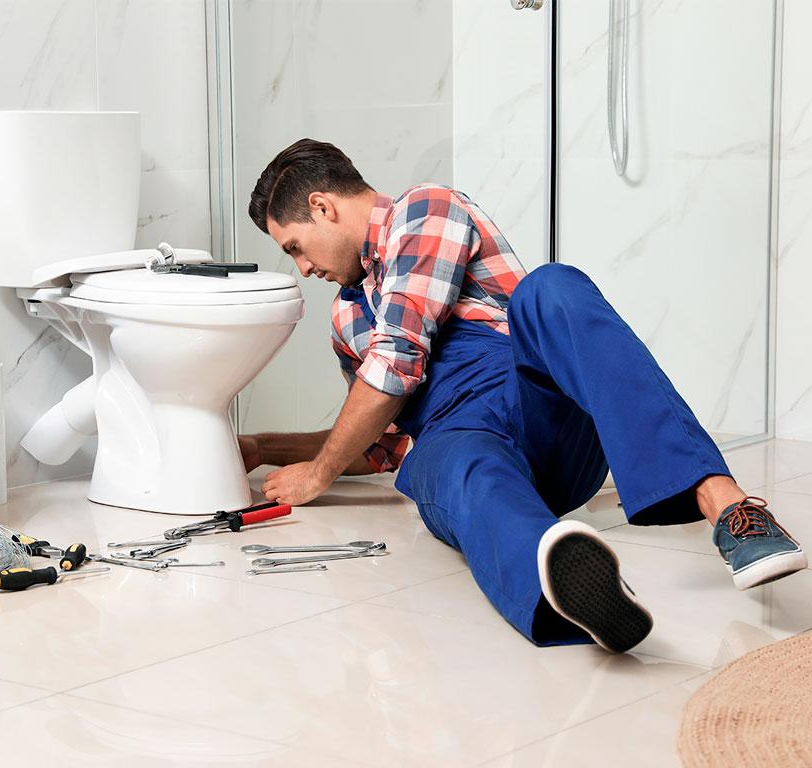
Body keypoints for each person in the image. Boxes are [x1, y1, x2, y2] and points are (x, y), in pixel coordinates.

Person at [236, 138, 807, 653]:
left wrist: (317, 476)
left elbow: (397, 363)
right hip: (464, 445)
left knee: (550, 288)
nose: (303, 267)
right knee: (451, 463)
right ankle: (570, 587)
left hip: (539, 414)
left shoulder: (423, 209)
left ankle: (729, 508)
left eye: (294, 248)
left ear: (321, 207)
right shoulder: (346, 317)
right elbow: (381, 444)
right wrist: (267, 447)